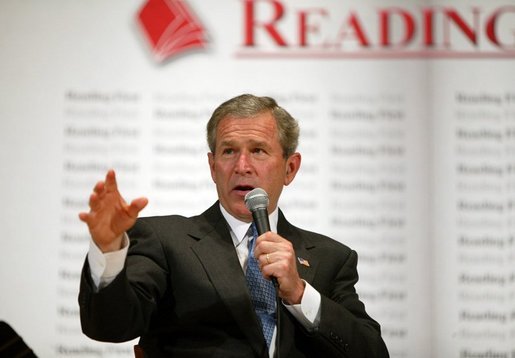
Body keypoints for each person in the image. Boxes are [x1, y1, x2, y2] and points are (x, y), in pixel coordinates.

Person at [78, 94, 389, 357]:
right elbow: (109, 326)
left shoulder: (331, 258)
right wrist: (108, 251)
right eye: (229, 151)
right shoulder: (165, 240)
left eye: (258, 150)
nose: (242, 166)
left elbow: (372, 352)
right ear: (213, 167)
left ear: (290, 168)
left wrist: (299, 292)